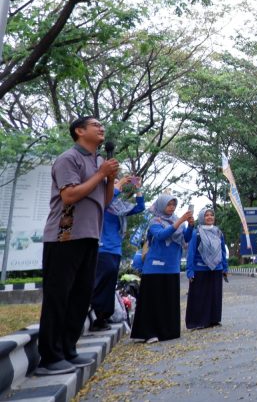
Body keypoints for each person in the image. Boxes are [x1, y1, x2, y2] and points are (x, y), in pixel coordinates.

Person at [37, 116, 118, 376]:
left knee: (81, 296)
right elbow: (69, 195)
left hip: (90, 235)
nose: (101, 128)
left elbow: (104, 202)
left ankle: (68, 349)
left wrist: (109, 179)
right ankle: (50, 357)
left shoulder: (97, 162)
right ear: (79, 131)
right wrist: (101, 174)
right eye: (95, 125)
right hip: (64, 237)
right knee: (59, 296)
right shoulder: (68, 159)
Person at [131, 195, 193, 343]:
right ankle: (149, 333)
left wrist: (190, 226)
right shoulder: (155, 221)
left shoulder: (178, 222)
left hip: (172, 266)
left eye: (173, 204)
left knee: (168, 301)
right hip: (155, 268)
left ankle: (168, 332)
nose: (171, 207)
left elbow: (185, 239)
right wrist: (180, 222)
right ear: (161, 206)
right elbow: (161, 235)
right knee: (154, 301)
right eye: (168, 204)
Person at [89, 174, 145, 331]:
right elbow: (109, 196)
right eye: (111, 183)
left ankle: (103, 317)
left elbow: (140, 207)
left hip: (115, 249)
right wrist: (119, 183)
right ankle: (95, 315)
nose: (116, 185)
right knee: (100, 283)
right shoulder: (102, 203)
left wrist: (138, 188)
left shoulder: (118, 207)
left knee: (109, 284)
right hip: (102, 247)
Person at [185, 207, 228, 329]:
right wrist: (190, 270)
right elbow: (191, 252)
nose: (210, 217)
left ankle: (213, 320)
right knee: (199, 297)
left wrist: (225, 267)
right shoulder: (196, 233)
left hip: (216, 269)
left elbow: (222, 251)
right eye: (206, 215)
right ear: (202, 218)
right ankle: (197, 322)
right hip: (200, 269)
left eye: (212, 215)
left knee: (214, 296)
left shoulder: (218, 232)